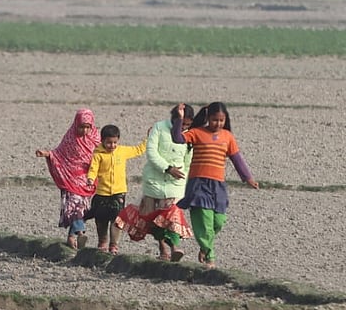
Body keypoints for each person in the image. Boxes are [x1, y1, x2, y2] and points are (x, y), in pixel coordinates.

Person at [170, 102, 259, 269]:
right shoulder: (196, 133)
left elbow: (236, 158)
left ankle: (205, 247)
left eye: (221, 120)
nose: (217, 124)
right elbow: (177, 138)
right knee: (204, 222)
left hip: (218, 186)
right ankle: (210, 257)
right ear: (207, 118)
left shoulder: (228, 136)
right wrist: (179, 119)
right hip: (199, 184)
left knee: (218, 221)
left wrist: (248, 178)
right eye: (214, 120)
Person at [116, 104, 196, 261]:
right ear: (173, 119)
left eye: (187, 124)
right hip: (154, 182)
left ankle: (175, 246)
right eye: (181, 122)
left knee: (172, 215)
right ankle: (162, 247)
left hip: (175, 185)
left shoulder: (189, 137)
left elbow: (188, 162)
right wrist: (167, 168)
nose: (183, 127)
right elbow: (151, 153)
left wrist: (183, 178)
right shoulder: (159, 128)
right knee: (153, 219)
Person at [36, 108, 100, 249]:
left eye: (87, 127)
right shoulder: (70, 138)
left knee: (81, 209)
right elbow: (58, 154)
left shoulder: (96, 138)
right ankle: (80, 232)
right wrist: (47, 154)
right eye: (81, 127)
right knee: (74, 207)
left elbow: (103, 156)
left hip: (86, 180)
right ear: (76, 124)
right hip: (70, 178)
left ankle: (72, 237)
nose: (84, 131)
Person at [84, 124, 146, 254]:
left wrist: (149, 138)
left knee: (117, 220)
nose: (112, 146)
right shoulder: (98, 153)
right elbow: (93, 168)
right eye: (108, 143)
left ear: (118, 140)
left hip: (118, 193)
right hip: (102, 193)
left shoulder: (122, 151)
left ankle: (113, 245)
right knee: (100, 219)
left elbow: (138, 150)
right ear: (102, 141)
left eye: (114, 143)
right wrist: (90, 179)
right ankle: (102, 242)